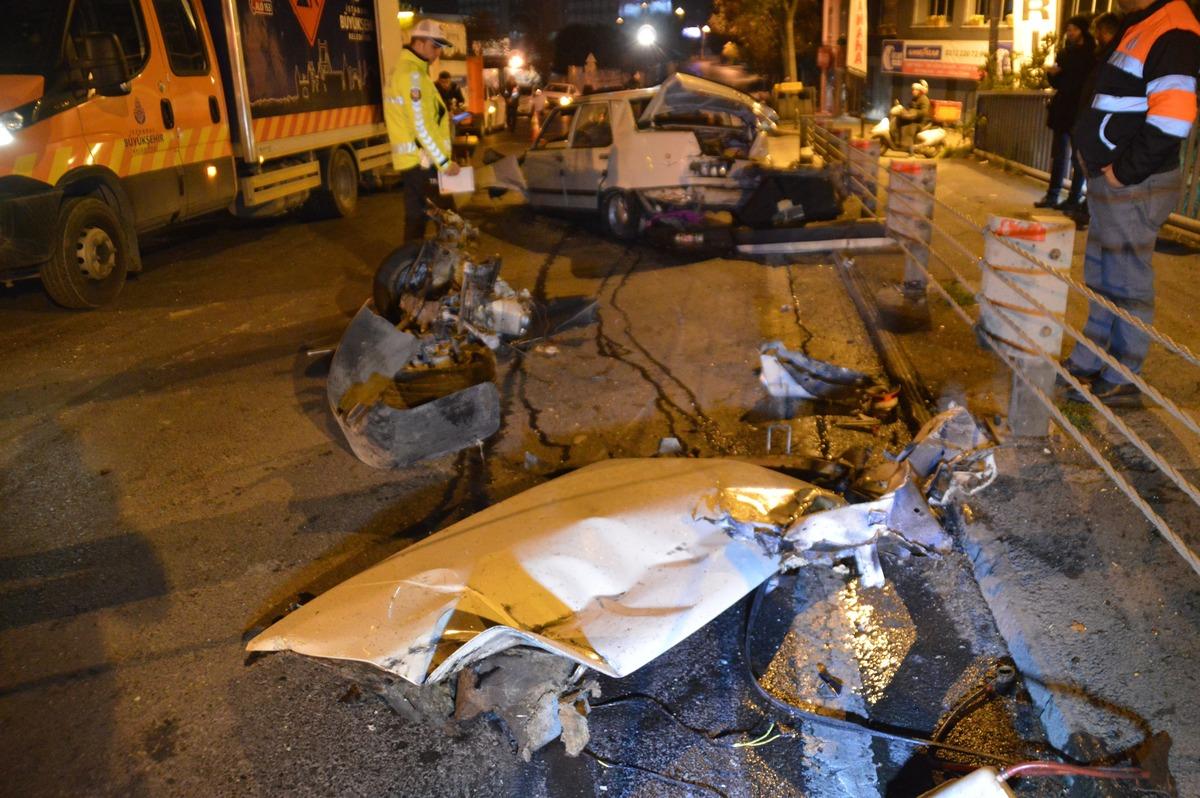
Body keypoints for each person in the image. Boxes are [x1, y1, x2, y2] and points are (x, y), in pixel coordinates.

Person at [1063, 0, 1200, 404]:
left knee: (1126, 280)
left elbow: (1173, 119)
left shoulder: (1173, 28)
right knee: (1104, 275)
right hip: (1116, 181)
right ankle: (1093, 358)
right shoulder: (1145, 22)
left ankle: (1124, 374)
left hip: (1133, 183)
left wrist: (1123, 172)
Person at [384, 19, 461, 243]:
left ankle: (410, 271)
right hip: (423, 163)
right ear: (419, 43)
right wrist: (445, 164)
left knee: (416, 219)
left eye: (440, 47)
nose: (438, 52)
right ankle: (448, 272)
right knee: (450, 219)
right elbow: (422, 127)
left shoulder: (412, 72)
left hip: (415, 162)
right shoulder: (413, 76)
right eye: (434, 46)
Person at [1037, 16, 1096, 210]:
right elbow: (1058, 83)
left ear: (1083, 30)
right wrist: (1051, 75)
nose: (1070, 33)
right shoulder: (1065, 53)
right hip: (1063, 110)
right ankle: (1053, 195)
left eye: (1074, 29)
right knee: (1059, 156)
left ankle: (1073, 197)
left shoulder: (1093, 55)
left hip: (1080, 111)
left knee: (1077, 158)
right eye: (1068, 29)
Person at [889, 80, 931, 152]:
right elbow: (909, 108)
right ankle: (898, 141)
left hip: (919, 122)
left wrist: (915, 113)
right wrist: (904, 111)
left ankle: (911, 152)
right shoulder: (914, 99)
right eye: (913, 90)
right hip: (912, 118)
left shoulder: (924, 99)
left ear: (920, 91)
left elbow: (924, 112)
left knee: (909, 128)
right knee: (900, 120)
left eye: (916, 90)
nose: (913, 91)